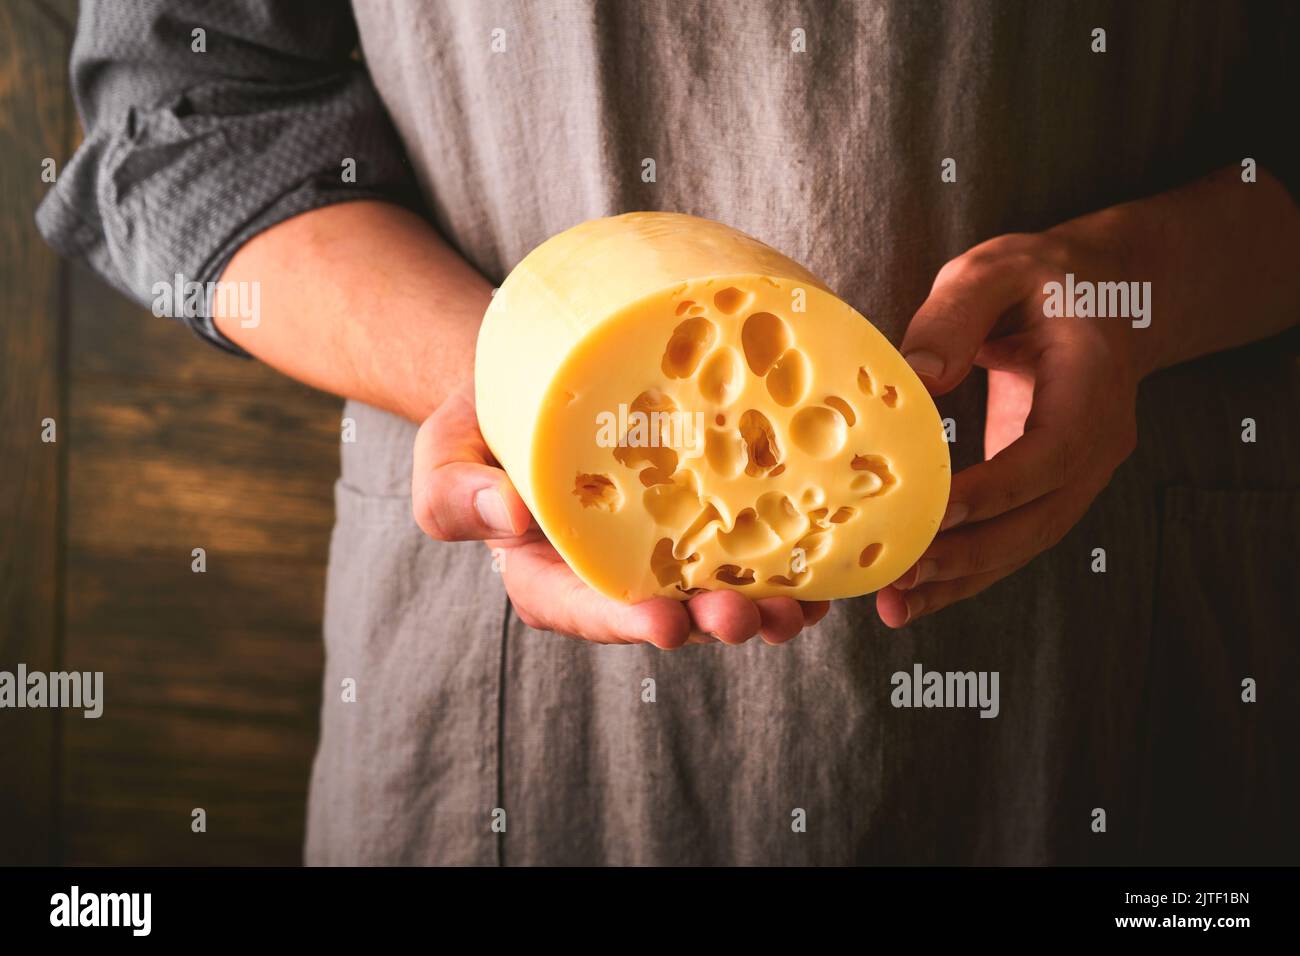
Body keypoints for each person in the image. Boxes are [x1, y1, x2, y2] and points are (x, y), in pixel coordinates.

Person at [38, 1, 1300, 865]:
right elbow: (186, 115)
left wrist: (1144, 287)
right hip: (493, 681)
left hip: (1128, 649)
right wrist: (519, 400)